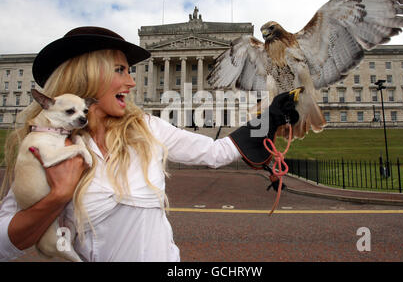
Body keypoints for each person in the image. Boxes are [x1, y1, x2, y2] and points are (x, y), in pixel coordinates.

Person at [0, 26, 298, 262]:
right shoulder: (45, 146)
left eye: (130, 71)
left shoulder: (146, 126)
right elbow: (4, 244)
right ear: (87, 75)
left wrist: (267, 118)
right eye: (121, 70)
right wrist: (57, 196)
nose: (131, 82)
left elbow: (215, 152)